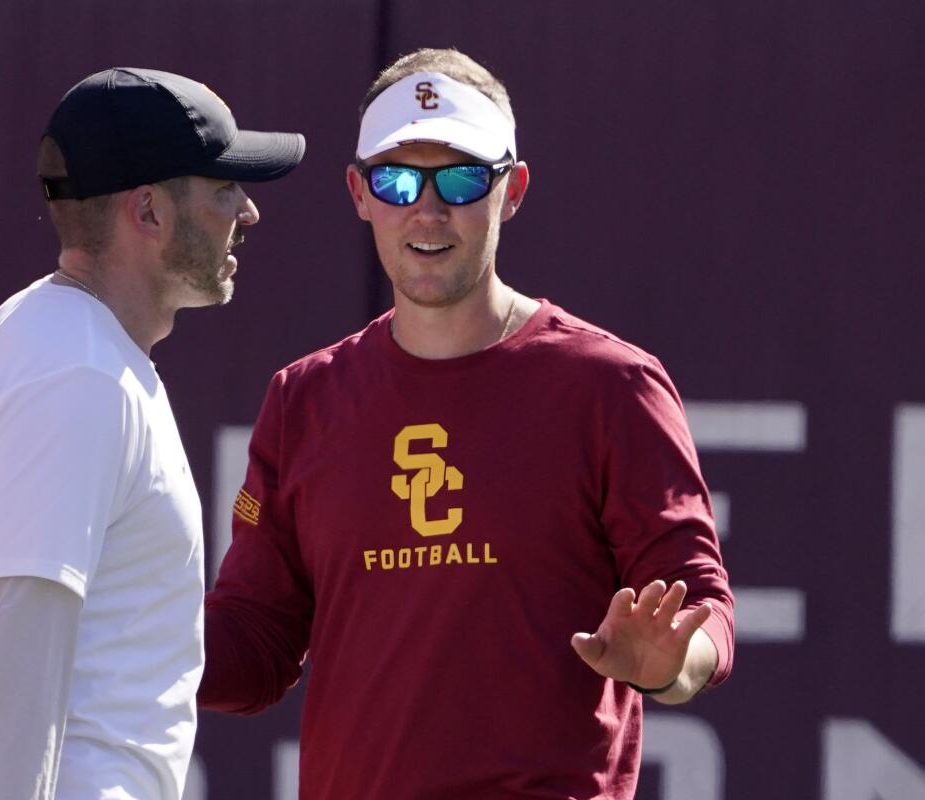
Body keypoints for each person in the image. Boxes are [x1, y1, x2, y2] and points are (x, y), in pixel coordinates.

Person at [199, 48, 734, 799]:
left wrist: (675, 666)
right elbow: (256, 645)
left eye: (458, 178)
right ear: (358, 193)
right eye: (396, 180)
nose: (426, 209)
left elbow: (700, 605)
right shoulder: (303, 399)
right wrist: (124, 637)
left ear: (511, 189)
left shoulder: (612, 386)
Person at [0, 67, 304, 800]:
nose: (248, 211)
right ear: (147, 210)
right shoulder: (76, 377)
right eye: (221, 189)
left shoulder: (51, 347)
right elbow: (9, 677)